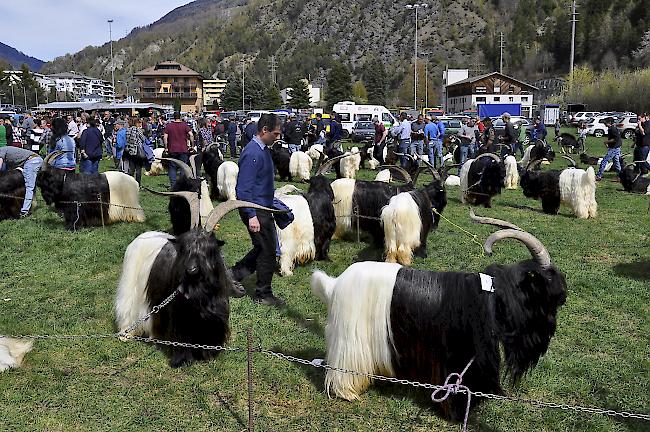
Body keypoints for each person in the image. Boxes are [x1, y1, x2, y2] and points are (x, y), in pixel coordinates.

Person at [231, 113, 285, 307]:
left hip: (263, 207)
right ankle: (263, 294)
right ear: (264, 130)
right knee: (267, 251)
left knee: (264, 248)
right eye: (276, 133)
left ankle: (234, 274)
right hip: (255, 209)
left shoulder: (261, 149)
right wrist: (251, 216)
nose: (277, 137)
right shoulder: (253, 153)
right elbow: (243, 189)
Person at [0, 146, 43, 217]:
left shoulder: (1, 151)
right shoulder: (6, 152)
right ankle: (30, 205)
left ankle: (24, 212)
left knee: (29, 186)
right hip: (29, 161)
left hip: (32, 161)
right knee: (26, 185)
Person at [164, 112, 194, 188]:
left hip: (172, 149)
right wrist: (192, 146)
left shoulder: (169, 126)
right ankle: (181, 185)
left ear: (173, 117)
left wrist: (166, 148)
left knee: (172, 168)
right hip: (183, 149)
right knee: (183, 167)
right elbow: (191, 135)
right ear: (180, 117)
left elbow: (165, 137)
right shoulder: (185, 125)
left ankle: (173, 185)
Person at [124, 117, 147, 184]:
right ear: (136, 122)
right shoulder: (138, 130)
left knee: (131, 168)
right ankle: (138, 183)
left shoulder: (127, 130)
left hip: (130, 151)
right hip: (137, 151)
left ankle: (130, 183)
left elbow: (127, 140)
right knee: (138, 169)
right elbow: (143, 139)